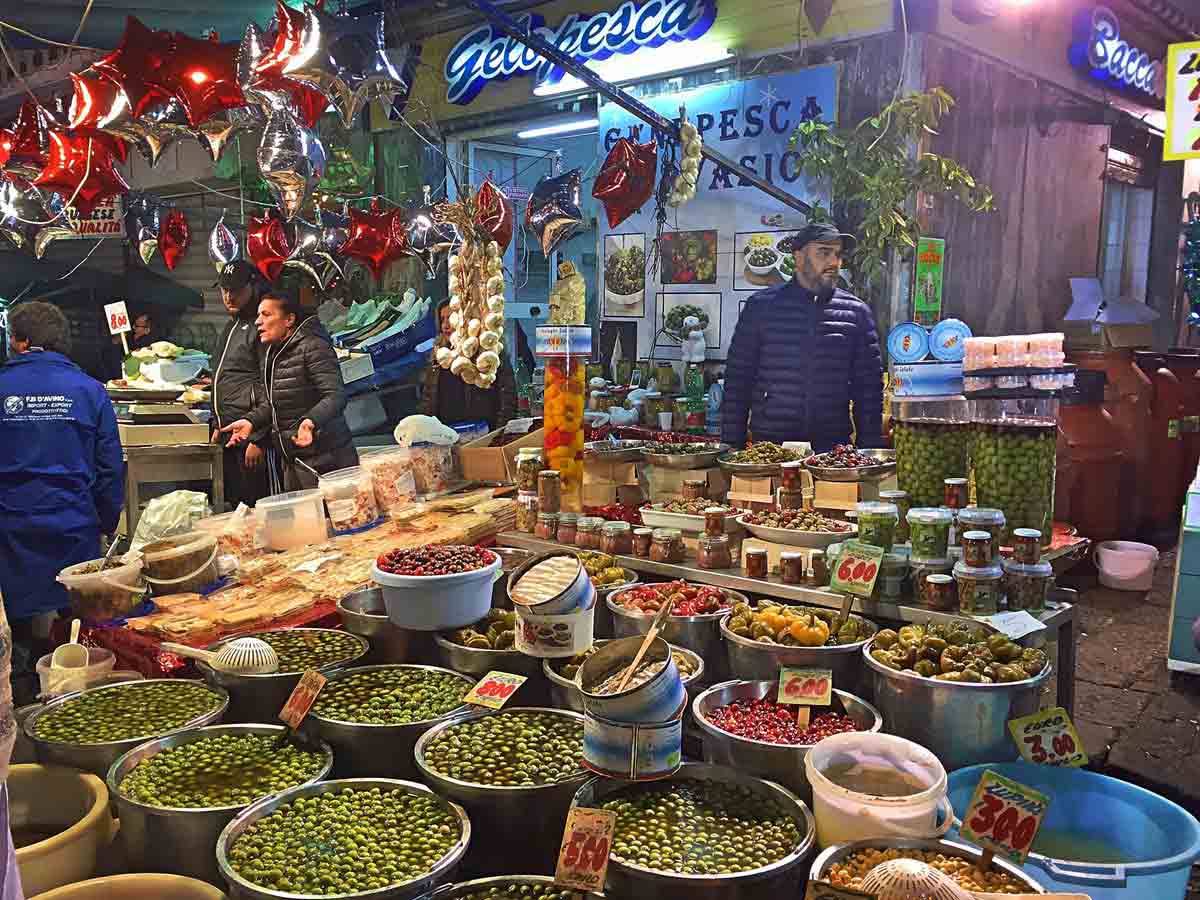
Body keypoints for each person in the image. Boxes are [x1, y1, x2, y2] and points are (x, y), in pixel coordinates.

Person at [0, 302, 123, 697]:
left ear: (19, 341)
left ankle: (19, 699)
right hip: (75, 528)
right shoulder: (90, 391)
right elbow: (109, 469)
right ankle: (74, 702)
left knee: (16, 635)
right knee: (78, 630)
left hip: (10, 532)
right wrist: (105, 522)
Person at [721, 223, 883, 451]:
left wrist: (869, 450)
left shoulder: (856, 313)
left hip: (832, 453)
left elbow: (869, 391)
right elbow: (738, 380)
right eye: (824, 252)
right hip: (771, 449)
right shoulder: (761, 308)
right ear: (798, 258)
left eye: (837, 254)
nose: (834, 262)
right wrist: (732, 444)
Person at [219, 287, 357, 490]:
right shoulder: (273, 352)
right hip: (293, 460)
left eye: (266, 315)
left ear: (289, 319)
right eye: (258, 315)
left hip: (326, 459)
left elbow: (335, 395)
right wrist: (250, 421)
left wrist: (310, 422)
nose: (258, 322)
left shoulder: (313, 346)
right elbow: (273, 403)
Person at [212, 261, 271, 507]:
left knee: (257, 510)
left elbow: (269, 384)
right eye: (225, 289)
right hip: (230, 437)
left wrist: (259, 439)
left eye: (235, 289)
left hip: (250, 438)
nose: (229, 296)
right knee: (237, 509)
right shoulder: (230, 326)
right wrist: (217, 423)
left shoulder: (260, 326)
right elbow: (223, 377)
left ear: (252, 286)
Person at [421, 300, 516, 429]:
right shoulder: (438, 356)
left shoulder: (489, 353)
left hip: (483, 433)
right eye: (442, 319)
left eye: (450, 318)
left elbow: (508, 395)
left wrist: (500, 431)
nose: (445, 325)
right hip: (447, 433)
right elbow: (428, 397)